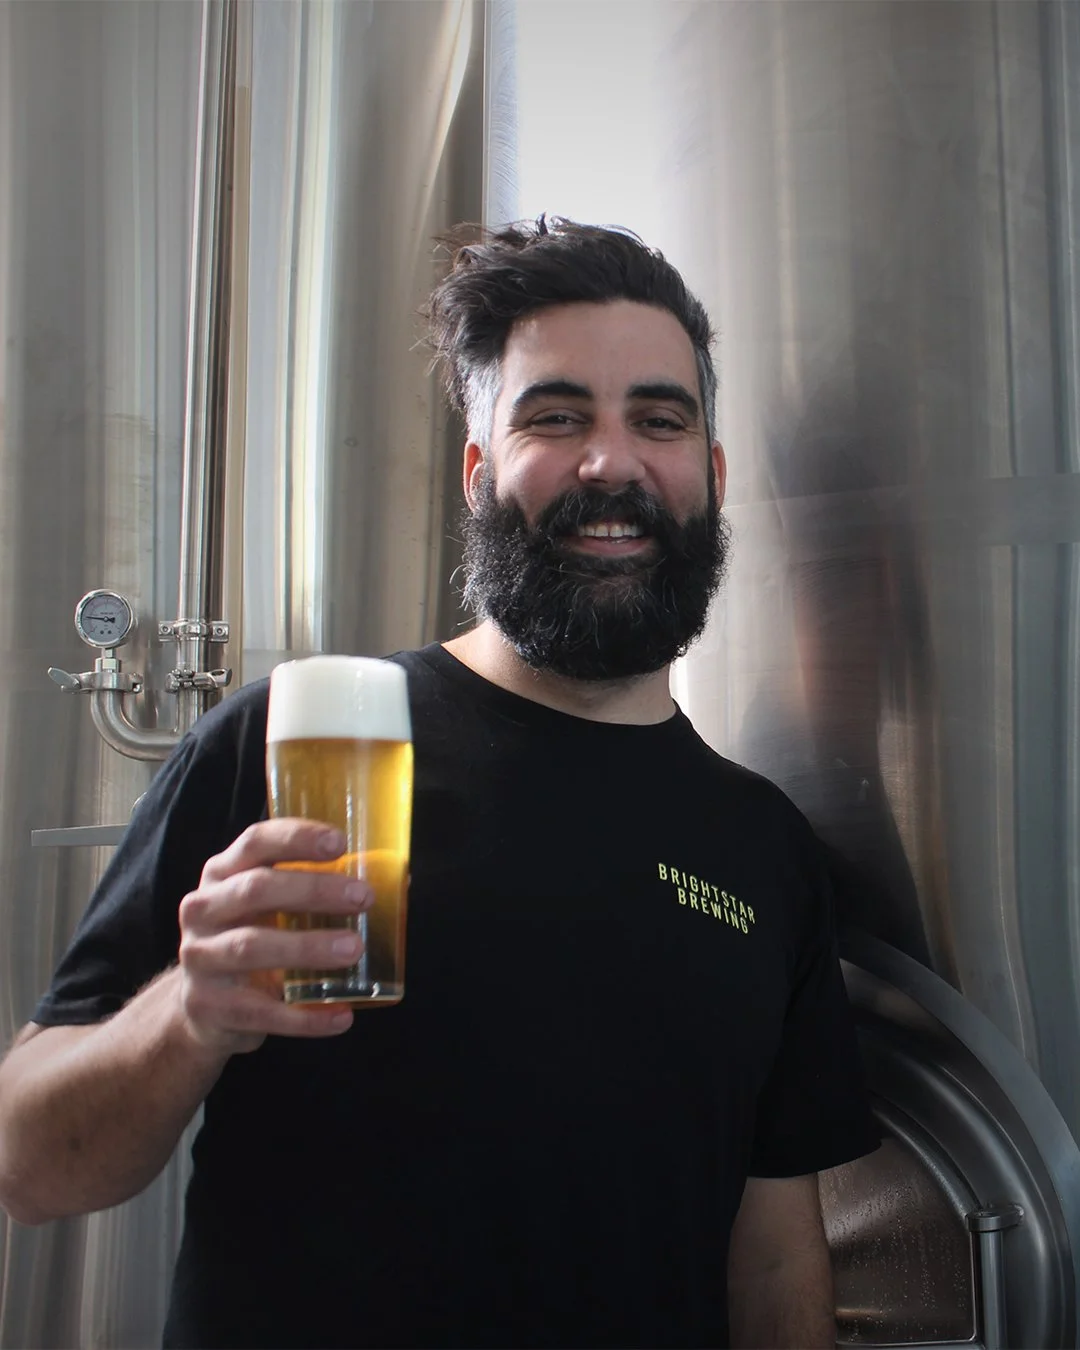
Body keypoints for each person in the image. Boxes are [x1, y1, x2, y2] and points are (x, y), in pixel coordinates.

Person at [0, 218, 878, 1349]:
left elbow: (773, 1256)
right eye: (555, 416)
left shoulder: (766, 849)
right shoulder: (290, 745)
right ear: (479, 472)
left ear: (709, 478)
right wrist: (190, 1011)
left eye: (658, 420)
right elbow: (28, 1167)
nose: (611, 463)